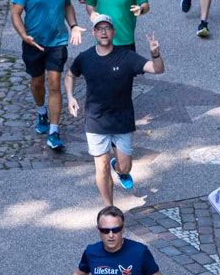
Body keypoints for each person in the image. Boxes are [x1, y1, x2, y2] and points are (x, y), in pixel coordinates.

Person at [65, 17, 165, 206]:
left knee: (126, 167)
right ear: (94, 33)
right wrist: (70, 96)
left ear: (113, 32)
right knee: (101, 166)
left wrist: (155, 54)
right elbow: (70, 75)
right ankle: (109, 208)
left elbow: (157, 69)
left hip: (121, 120)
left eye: (107, 28)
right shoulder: (85, 58)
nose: (103, 32)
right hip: (96, 120)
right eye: (99, 28)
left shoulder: (126, 56)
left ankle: (119, 169)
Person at [11, 0, 85, 151]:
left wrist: (73, 26)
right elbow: (15, 13)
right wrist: (24, 35)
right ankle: (41, 111)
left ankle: (54, 132)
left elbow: (67, 5)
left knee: (54, 84)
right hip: (33, 43)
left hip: (57, 41)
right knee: (37, 82)